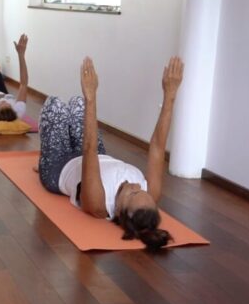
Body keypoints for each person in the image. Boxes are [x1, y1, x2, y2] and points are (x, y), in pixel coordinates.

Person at [38, 56, 185, 251]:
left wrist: (91, 96)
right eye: (142, 190)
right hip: (98, 156)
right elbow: (158, 147)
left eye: (133, 192)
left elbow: (89, 148)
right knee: (77, 103)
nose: (136, 185)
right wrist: (170, 95)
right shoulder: (149, 193)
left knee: (55, 105)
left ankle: (43, 162)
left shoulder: (99, 203)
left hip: (60, 166)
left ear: (120, 212)